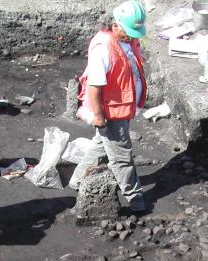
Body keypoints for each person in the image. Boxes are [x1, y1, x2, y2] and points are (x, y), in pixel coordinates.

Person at [68, 0, 148, 213]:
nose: (133, 36)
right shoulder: (104, 49)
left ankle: (77, 180)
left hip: (122, 107)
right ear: (116, 25)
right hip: (111, 110)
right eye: (129, 31)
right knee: (122, 153)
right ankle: (134, 195)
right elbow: (94, 88)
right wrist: (99, 116)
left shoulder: (126, 42)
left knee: (101, 144)